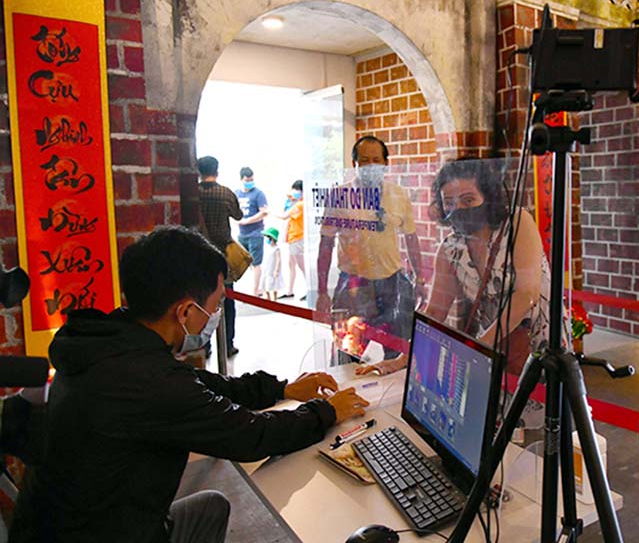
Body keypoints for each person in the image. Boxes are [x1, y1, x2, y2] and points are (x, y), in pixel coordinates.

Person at [10, 226, 369, 543]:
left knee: (211, 506)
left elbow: (199, 384)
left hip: (58, 526)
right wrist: (325, 411)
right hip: (104, 533)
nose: (214, 317)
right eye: (214, 307)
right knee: (212, 508)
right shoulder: (149, 381)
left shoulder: (110, 342)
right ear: (184, 312)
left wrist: (281, 390)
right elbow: (252, 436)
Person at [358, 158, 567, 376]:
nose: (457, 209)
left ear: (488, 197)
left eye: (468, 200)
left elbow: (526, 294)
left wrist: (477, 350)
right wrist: (402, 358)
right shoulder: (451, 248)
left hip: (538, 339)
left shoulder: (517, 223)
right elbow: (435, 312)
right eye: (449, 202)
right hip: (491, 348)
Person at [316, 136, 424, 359]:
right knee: (346, 353)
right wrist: (321, 291)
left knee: (397, 354)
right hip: (354, 285)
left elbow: (411, 238)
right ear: (354, 164)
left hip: (392, 282)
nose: (370, 165)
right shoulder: (339, 196)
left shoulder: (398, 195)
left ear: (386, 163)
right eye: (364, 160)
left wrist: (420, 279)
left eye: (376, 159)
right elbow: (326, 244)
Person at [196, 155, 243, 357]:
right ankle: (228, 344)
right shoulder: (225, 193)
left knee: (200, 299)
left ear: (198, 171)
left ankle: (203, 346)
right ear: (217, 170)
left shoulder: (194, 193)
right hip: (222, 253)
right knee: (227, 299)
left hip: (198, 252)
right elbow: (238, 215)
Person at [235, 167, 269, 296]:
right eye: (247, 180)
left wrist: (247, 221)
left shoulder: (258, 194)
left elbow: (263, 212)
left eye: (251, 179)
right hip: (242, 233)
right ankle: (255, 286)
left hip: (255, 232)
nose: (250, 182)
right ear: (241, 179)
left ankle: (255, 290)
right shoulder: (237, 193)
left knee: (256, 262)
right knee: (247, 262)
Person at [275, 180, 306, 300]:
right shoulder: (297, 203)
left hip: (297, 237)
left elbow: (284, 216)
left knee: (301, 265)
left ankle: (310, 289)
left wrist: (268, 212)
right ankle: (289, 291)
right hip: (293, 237)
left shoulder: (300, 205)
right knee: (291, 263)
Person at [260, 227, 284, 301]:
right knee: (265, 282)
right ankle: (268, 297)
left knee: (274, 284)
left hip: (272, 269)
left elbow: (278, 260)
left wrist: (276, 269)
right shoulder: (267, 248)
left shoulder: (276, 249)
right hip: (266, 269)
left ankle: (275, 298)